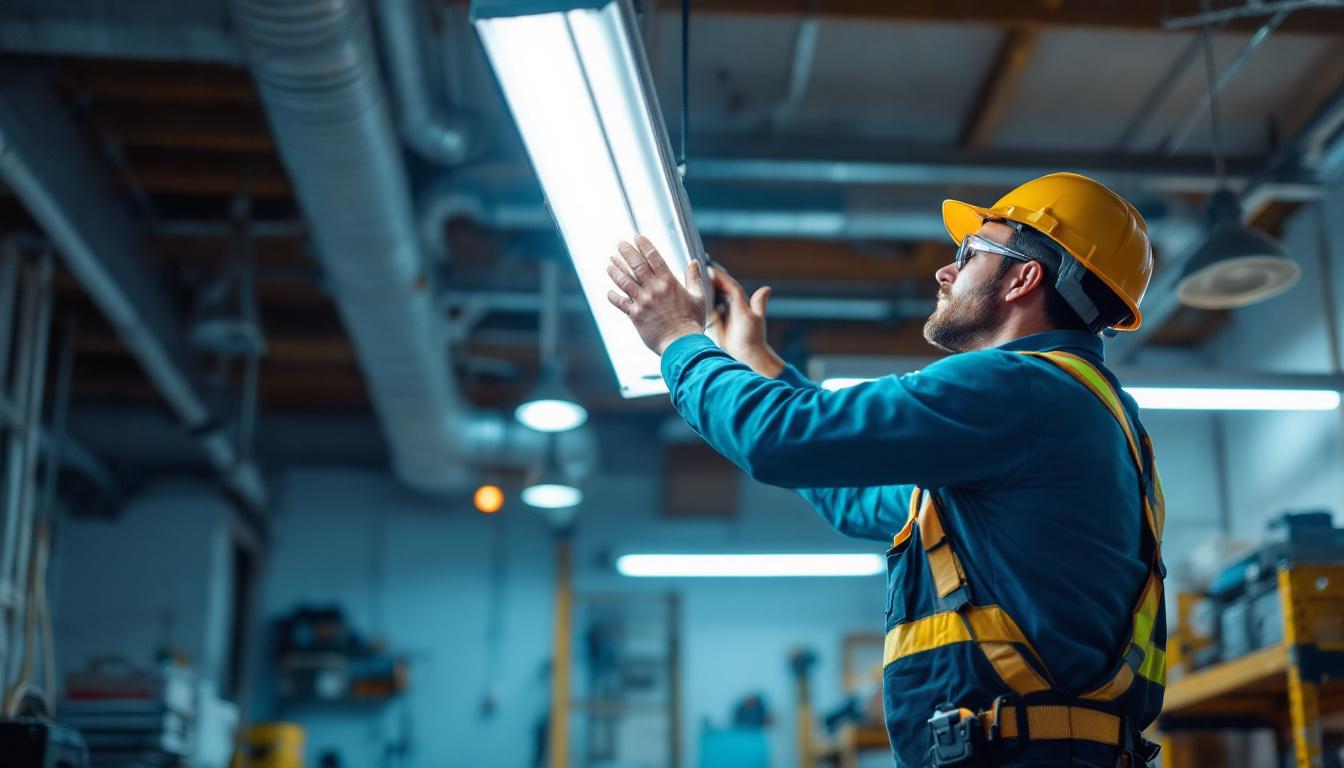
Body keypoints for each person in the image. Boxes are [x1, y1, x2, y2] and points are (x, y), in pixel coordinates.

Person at [604, 173, 1167, 767]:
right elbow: (855, 496)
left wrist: (677, 338)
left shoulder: (1019, 386)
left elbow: (777, 439)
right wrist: (756, 362)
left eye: (970, 254)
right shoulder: (1077, 415)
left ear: (1025, 278)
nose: (944, 273)